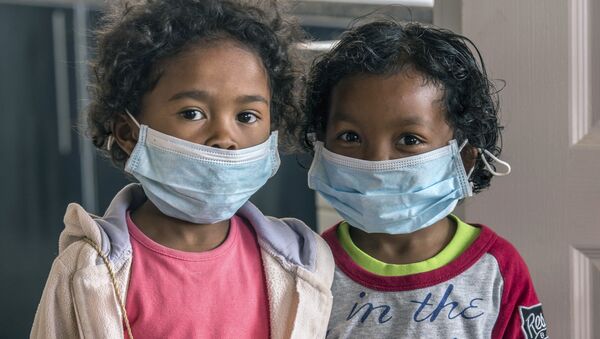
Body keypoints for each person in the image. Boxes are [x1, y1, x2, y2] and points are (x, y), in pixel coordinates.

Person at [31, 1, 334, 338]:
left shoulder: (302, 263)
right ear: (129, 134)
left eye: (247, 116)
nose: (224, 138)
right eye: (192, 113)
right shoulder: (87, 271)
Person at [303, 20, 547, 339]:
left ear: (463, 157)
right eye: (350, 136)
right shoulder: (309, 269)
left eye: (409, 139)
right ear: (321, 145)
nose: (377, 160)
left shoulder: (496, 268)